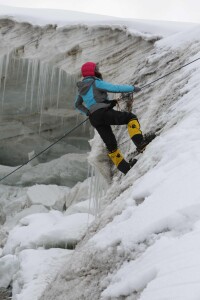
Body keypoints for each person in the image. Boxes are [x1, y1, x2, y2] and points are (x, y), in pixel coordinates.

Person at [75, 62, 151, 175]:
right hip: (103, 113)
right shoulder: (95, 82)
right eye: (96, 69)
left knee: (110, 143)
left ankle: (125, 168)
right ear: (93, 71)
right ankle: (140, 143)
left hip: (94, 118)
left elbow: (77, 105)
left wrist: (87, 112)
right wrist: (132, 88)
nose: (98, 70)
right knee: (130, 118)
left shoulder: (81, 89)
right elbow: (114, 88)